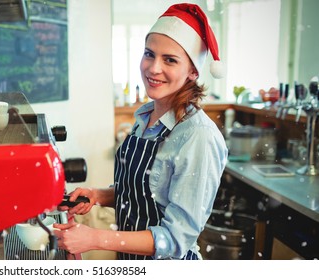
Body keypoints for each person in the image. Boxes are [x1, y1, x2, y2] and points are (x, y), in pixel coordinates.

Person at [54, 3, 228, 260]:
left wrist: (94, 238)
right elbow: (146, 192)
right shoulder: (145, 117)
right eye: (149, 54)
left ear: (192, 71)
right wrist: (98, 195)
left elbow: (175, 238)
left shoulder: (198, 136)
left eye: (169, 60)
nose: (153, 68)